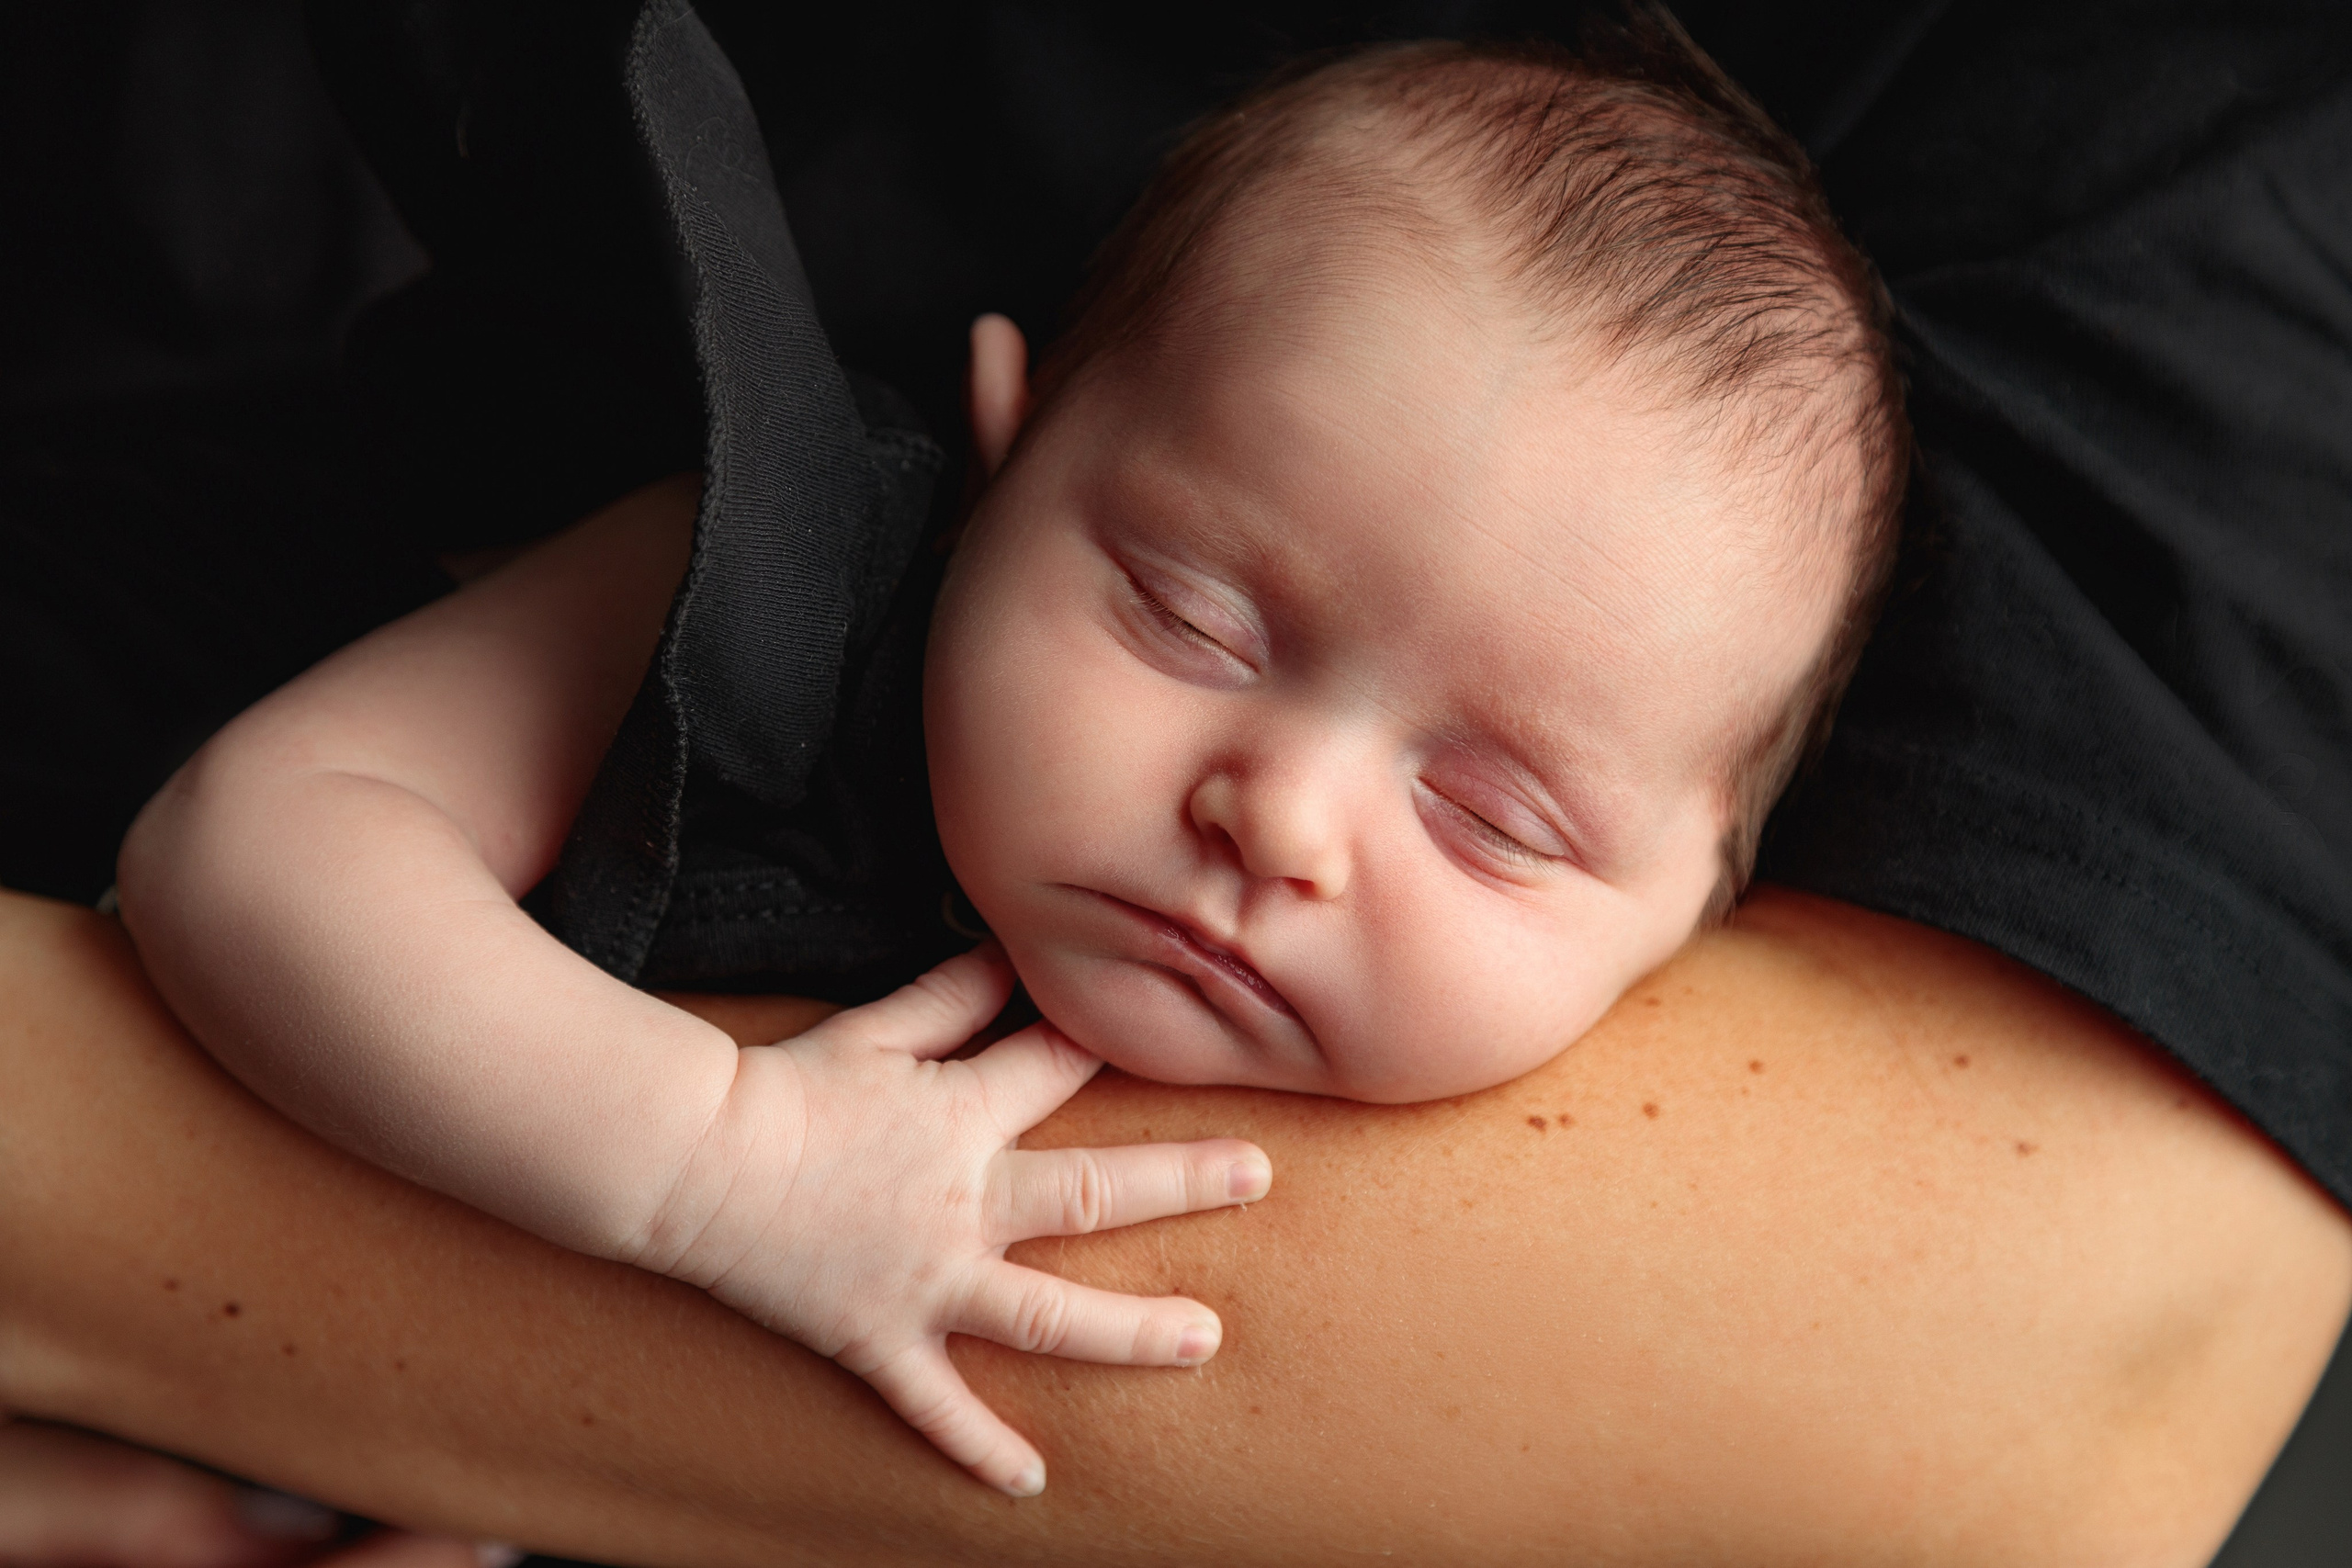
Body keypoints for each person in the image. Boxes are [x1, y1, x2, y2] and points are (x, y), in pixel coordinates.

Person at [1, 0, 2346, 1562]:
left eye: (1500, 816)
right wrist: (713, 1165)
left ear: (1704, 918)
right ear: (1005, 448)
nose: (1283, 815)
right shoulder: (776, 573)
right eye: (1193, 619)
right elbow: (257, 843)